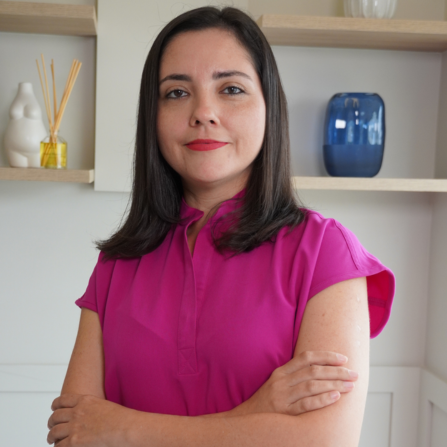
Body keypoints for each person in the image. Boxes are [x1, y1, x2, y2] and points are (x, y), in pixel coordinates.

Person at [46, 5, 395, 447]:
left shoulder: (326, 252)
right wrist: (253, 414)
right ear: (152, 116)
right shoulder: (116, 263)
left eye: (231, 88)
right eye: (176, 92)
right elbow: (74, 434)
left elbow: (324, 441)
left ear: (269, 107)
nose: (203, 112)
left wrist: (122, 429)